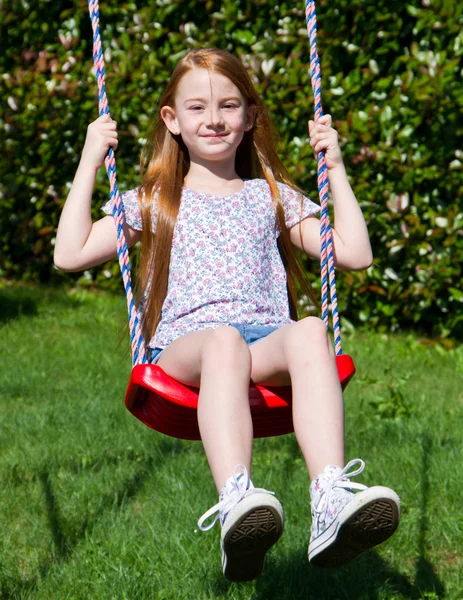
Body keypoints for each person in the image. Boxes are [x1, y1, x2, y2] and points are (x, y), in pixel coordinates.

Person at [54, 48, 400, 582]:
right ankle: (238, 503)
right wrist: (88, 160)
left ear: (250, 117)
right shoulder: (154, 199)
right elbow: (68, 254)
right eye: (197, 107)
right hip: (186, 348)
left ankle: (330, 497)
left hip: (259, 342)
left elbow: (354, 253)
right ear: (172, 119)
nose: (213, 118)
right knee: (222, 341)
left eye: (228, 105)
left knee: (309, 330)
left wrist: (335, 167)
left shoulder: (272, 198)